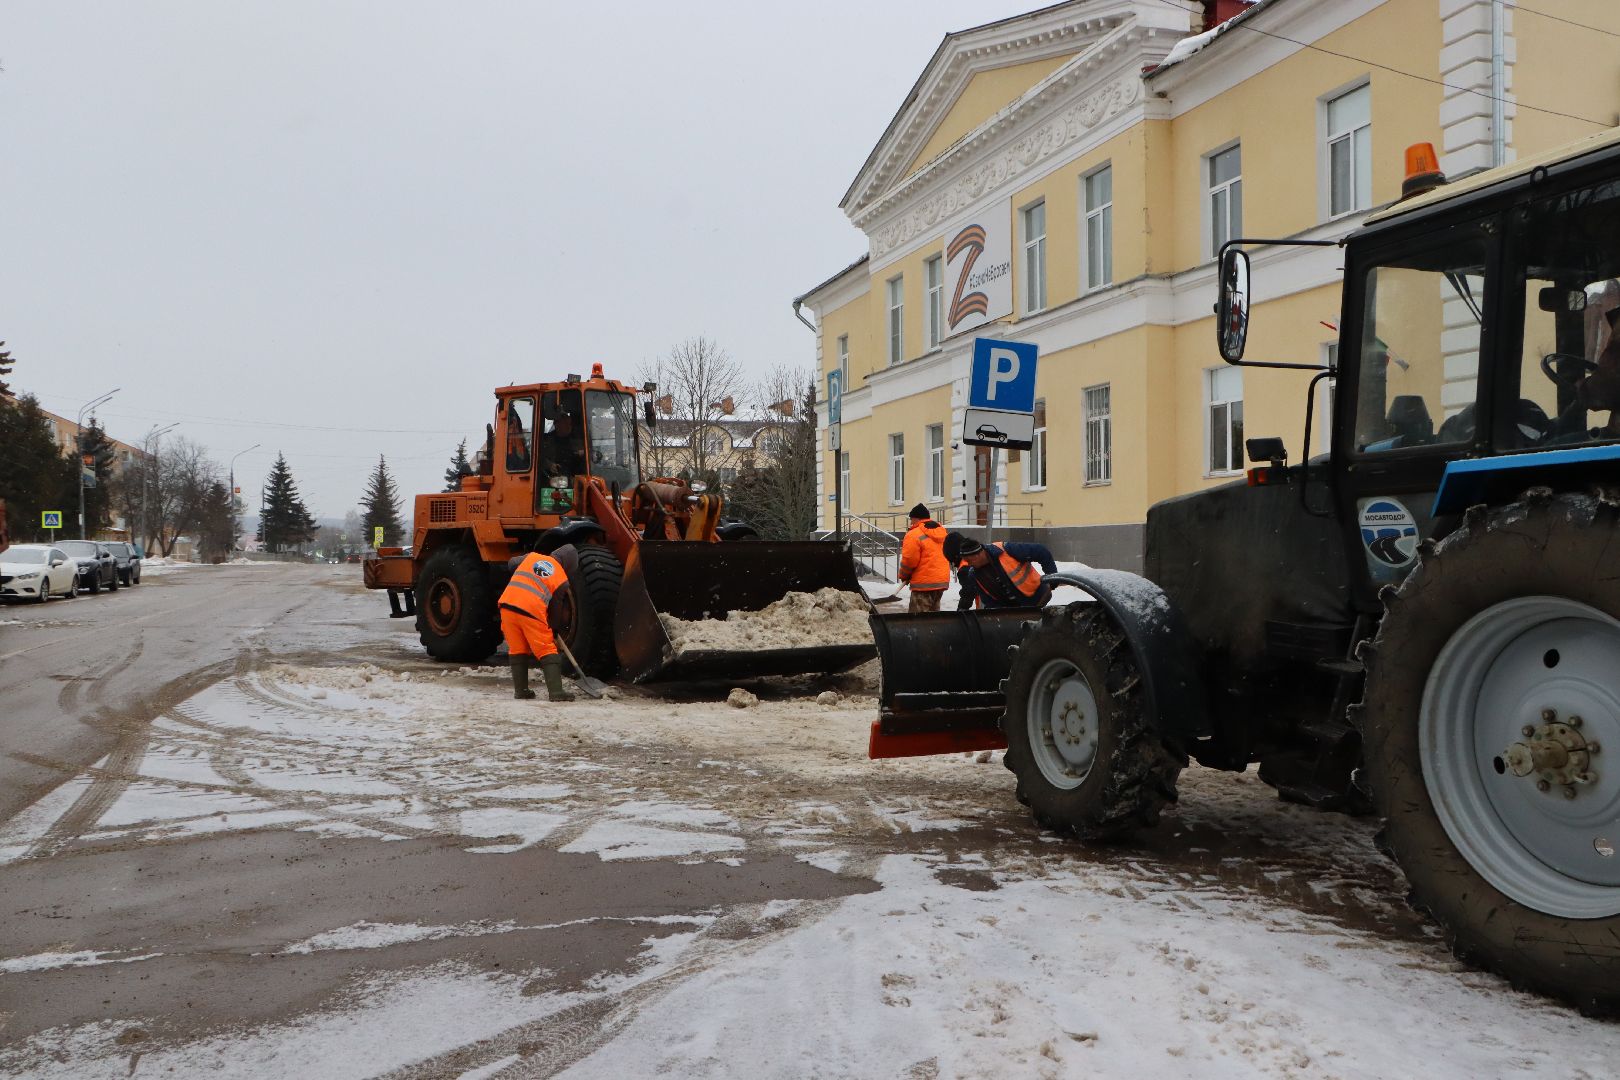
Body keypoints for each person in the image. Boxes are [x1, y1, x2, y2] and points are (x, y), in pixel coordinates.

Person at [499, 542, 575, 702]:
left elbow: (511, 563)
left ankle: (521, 691)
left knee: (518, 649)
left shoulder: (532, 557)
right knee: (546, 649)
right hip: (530, 610)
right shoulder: (561, 578)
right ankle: (556, 692)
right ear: (568, 565)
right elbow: (556, 607)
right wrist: (554, 627)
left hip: (507, 605)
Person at [943, 532, 1057, 611]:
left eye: (969, 560)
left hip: (1038, 597)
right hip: (1017, 612)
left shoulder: (1006, 550)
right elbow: (989, 602)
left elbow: (1041, 551)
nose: (968, 564)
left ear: (977, 554)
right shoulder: (974, 575)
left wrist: (1052, 576)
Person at [897, 503, 949, 613]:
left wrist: (904, 575)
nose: (911, 522)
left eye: (911, 519)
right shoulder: (941, 531)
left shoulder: (913, 534)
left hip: (923, 584)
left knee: (918, 619)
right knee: (934, 618)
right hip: (941, 581)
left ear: (916, 518)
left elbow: (909, 560)